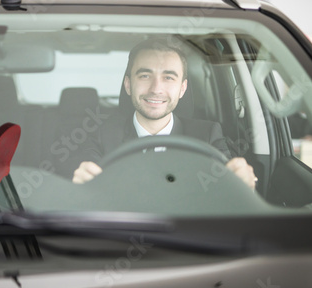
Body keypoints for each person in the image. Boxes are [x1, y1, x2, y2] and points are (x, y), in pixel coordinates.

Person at [72, 39, 257, 190]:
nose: (156, 89)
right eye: (145, 76)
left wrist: (242, 182)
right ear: (128, 85)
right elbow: (88, 188)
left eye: (168, 77)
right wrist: (82, 184)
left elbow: (230, 190)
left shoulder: (207, 135)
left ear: (182, 88)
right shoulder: (102, 134)